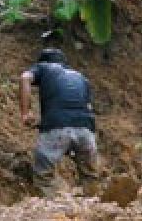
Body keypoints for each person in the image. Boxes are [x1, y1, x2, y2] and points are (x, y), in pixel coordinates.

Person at [20, 48, 100, 196]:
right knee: (90, 176)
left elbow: (25, 78)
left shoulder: (43, 67)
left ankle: (49, 213)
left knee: (44, 177)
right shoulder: (81, 77)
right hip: (86, 129)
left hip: (56, 127)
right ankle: (94, 211)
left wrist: (26, 113)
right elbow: (88, 107)